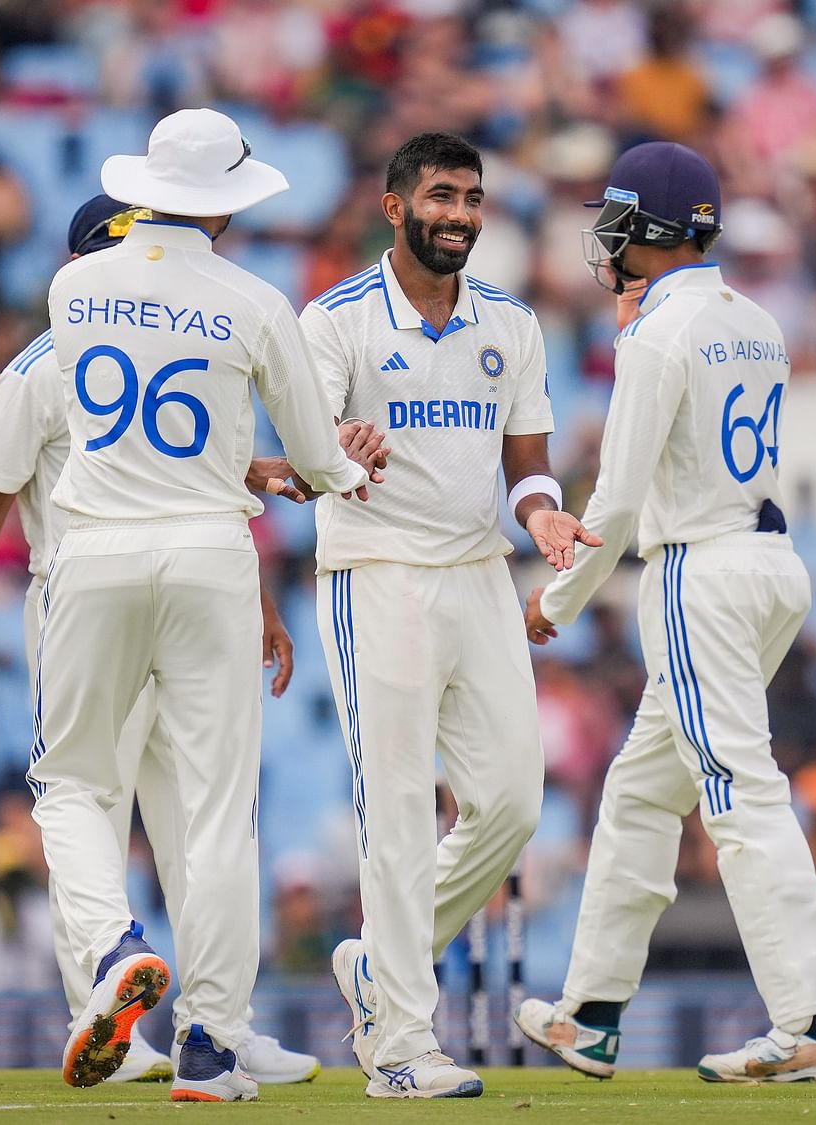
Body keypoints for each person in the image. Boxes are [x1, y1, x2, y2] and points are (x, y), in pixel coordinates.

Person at [0, 193, 328, 1087]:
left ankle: (186, 1010)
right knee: (186, 815)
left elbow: (207, 480)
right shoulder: (108, 344)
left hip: (104, 593)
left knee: (134, 812)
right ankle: (145, 1024)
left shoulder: (58, 348)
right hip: (120, 592)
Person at [34, 109, 376, 1103]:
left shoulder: (71, 285)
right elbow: (316, 460)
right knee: (217, 816)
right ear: (225, 201)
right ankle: (212, 1043)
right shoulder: (253, 299)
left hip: (90, 551)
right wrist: (337, 474)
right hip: (206, 556)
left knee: (69, 787)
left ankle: (109, 951)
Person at [510, 142, 816, 1086]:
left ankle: (812, 1022)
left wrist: (557, 600)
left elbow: (617, 504)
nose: (607, 240)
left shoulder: (658, 336)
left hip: (696, 572)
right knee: (637, 794)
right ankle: (591, 1012)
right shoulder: (755, 319)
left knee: (740, 796)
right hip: (767, 562)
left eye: (618, 222)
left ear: (649, 231)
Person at [302, 132, 592, 1101]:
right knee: (394, 811)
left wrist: (543, 513)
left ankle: (381, 970)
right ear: (394, 207)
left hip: (479, 574)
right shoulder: (335, 320)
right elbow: (306, 460)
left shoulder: (508, 323)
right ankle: (399, 1044)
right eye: (440, 196)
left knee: (510, 804)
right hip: (375, 569)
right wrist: (336, 450)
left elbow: (527, 461)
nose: (459, 214)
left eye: (471, 198)